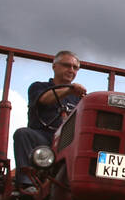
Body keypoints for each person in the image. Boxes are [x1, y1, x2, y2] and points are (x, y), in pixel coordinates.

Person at [13, 51, 86, 190]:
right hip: (43, 137)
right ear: (54, 67)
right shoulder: (38, 87)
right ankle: (26, 184)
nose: (71, 70)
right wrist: (70, 90)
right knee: (23, 134)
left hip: (68, 141)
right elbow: (45, 99)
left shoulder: (79, 98)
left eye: (75, 68)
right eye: (66, 65)